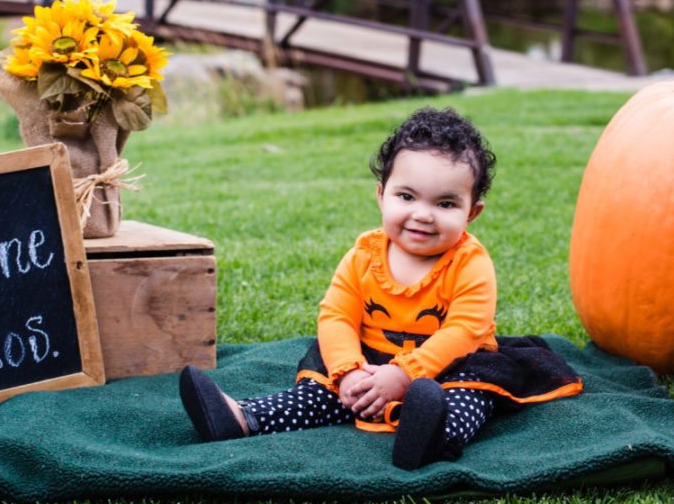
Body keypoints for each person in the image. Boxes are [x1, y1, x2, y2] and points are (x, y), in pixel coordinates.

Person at [179, 107, 582, 470]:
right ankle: (243, 417)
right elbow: (336, 316)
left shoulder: (470, 264)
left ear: (472, 212)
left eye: (445, 204)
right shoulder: (363, 256)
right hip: (368, 361)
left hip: (448, 366)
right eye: (406, 196)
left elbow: (464, 332)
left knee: (471, 396)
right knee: (322, 393)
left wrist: (406, 375)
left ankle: (430, 435)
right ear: (381, 195)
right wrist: (349, 371)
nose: (422, 215)